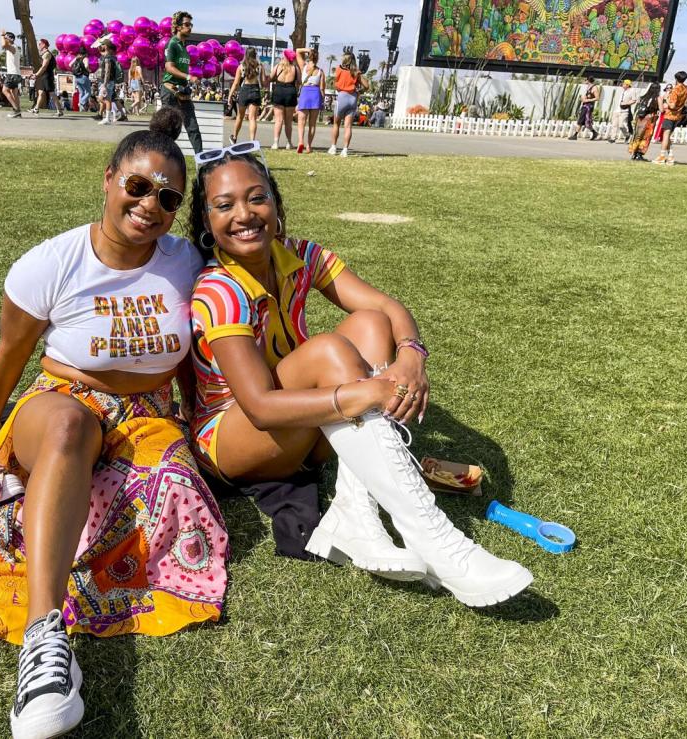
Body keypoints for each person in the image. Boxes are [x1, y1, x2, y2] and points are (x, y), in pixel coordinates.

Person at [0, 109, 228, 739]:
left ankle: (5, 506)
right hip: (64, 399)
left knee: (174, 495)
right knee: (70, 434)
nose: (151, 205)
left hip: (149, 416)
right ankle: (44, 647)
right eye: (138, 187)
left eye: (169, 197)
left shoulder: (187, 261)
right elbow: (9, 357)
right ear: (108, 180)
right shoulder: (52, 263)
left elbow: (207, 345)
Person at [187, 141, 533, 606]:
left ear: (275, 202)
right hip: (233, 439)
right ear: (206, 223)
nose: (244, 214)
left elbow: (386, 308)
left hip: (301, 429)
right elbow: (261, 407)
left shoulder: (299, 254)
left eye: (256, 197)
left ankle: (358, 513)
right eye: (224, 205)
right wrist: (362, 393)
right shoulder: (218, 289)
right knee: (330, 350)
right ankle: (438, 543)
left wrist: (411, 355)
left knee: (370, 324)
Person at [162, 11, 202, 153]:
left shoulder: (184, 48)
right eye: (186, 24)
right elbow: (169, 67)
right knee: (168, 130)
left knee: (193, 128)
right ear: (178, 27)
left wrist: (189, 82)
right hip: (169, 91)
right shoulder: (172, 44)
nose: (190, 27)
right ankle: (163, 160)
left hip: (183, 92)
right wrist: (188, 77)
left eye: (191, 24)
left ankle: (202, 163)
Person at [329, 51, 369, 157]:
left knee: (336, 124)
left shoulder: (339, 69)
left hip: (342, 97)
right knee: (348, 126)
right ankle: (345, 150)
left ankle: (333, 147)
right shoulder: (357, 72)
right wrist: (359, 91)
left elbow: (336, 84)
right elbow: (366, 86)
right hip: (352, 98)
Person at [228, 48, 268, 144]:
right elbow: (263, 82)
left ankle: (234, 137)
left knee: (240, 116)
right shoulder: (260, 66)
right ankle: (252, 141)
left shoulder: (241, 66)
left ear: (246, 55)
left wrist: (230, 95)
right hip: (255, 90)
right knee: (252, 118)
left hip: (244, 90)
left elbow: (236, 83)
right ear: (255, 55)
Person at [653, 71, 687, 166]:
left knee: (665, 135)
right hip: (678, 116)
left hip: (670, 114)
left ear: (676, 79)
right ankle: (670, 156)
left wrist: (666, 101)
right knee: (668, 136)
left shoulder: (675, 90)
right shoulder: (686, 89)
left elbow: (672, 105)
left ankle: (661, 156)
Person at [294, 47, 324, 153]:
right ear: (318, 58)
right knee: (312, 123)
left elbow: (297, 51)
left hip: (305, 92)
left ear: (309, 57)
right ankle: (309, 146)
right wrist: (322, 100)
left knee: (301, 121)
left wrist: (308, 49)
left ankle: (300, 141)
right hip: (315, 94)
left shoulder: (304, 67)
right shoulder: (320, 71)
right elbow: (322, 88)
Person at [269, 50, 298, 149]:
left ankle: (276, 142)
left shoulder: (277, 67)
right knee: (288, 121)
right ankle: (289, 142)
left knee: (278, 120)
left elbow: (271, 77)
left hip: (279, 92)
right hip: (290, 92)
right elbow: (299, 81)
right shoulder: (295, 68)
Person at [30, 38, 63, 116]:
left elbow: (44, 66)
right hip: (44, 76)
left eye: (40, 44)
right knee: (40, 92)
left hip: (47, 76)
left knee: (52, 93)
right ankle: (36, 109)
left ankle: (59, 111)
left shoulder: (47, 54)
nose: (39, 45)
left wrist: (36, 74)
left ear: (44, 45)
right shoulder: (44, 54)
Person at [628, 83, 661, 161]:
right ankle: (639, 154)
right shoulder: (657, 98)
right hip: (649, 119)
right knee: (646, 136)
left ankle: (634, 153)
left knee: (637, 135)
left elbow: (637, 107)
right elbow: (661, 109)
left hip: (640, 118)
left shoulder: (643, 97)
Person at [568, 75, 600, 141]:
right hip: (585, 105)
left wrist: (587, 100)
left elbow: (597, 98)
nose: (584, 81)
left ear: (588, 80)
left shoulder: (594, 88)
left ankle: (575, 135)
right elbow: (587, 96)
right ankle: (594, 133)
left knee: (582, 120)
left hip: (588, 107)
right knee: (585, 122)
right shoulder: (588, 87)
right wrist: (583, 98)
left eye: (585, 80)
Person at [0, 31, 23, 118]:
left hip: (12, 74)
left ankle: (16, 110)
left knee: (4, 91)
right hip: (16, 74)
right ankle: (18, 111)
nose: (5, 39)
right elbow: (4, 45)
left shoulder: (13, 47)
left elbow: (3, 45)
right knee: (14, 94)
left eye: (7, 38)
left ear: (11, 39)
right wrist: (4, 37)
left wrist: (2, 35)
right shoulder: (13, 47)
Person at [96, 41, 120, 125]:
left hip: (108, 81)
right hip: (105, 81)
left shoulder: (108, 58)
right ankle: (115, 112)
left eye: (103, 45)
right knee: (102, 99)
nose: (101, 46)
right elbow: (100, 50)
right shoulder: (106, 56)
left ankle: (108, 118)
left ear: (106, 46)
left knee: (106, 99)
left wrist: (105, 84)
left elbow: (107, 71)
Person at [70, 48, 91, 113]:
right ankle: (81, 102)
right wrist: (89, 70)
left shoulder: (76, 58)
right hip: (84, 77)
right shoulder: (85, 58)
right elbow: (86, 66)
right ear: (85, 53)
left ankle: (81, 109)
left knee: (81, 92)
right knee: (88, 92)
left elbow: (70, 64)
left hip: (77, 77)